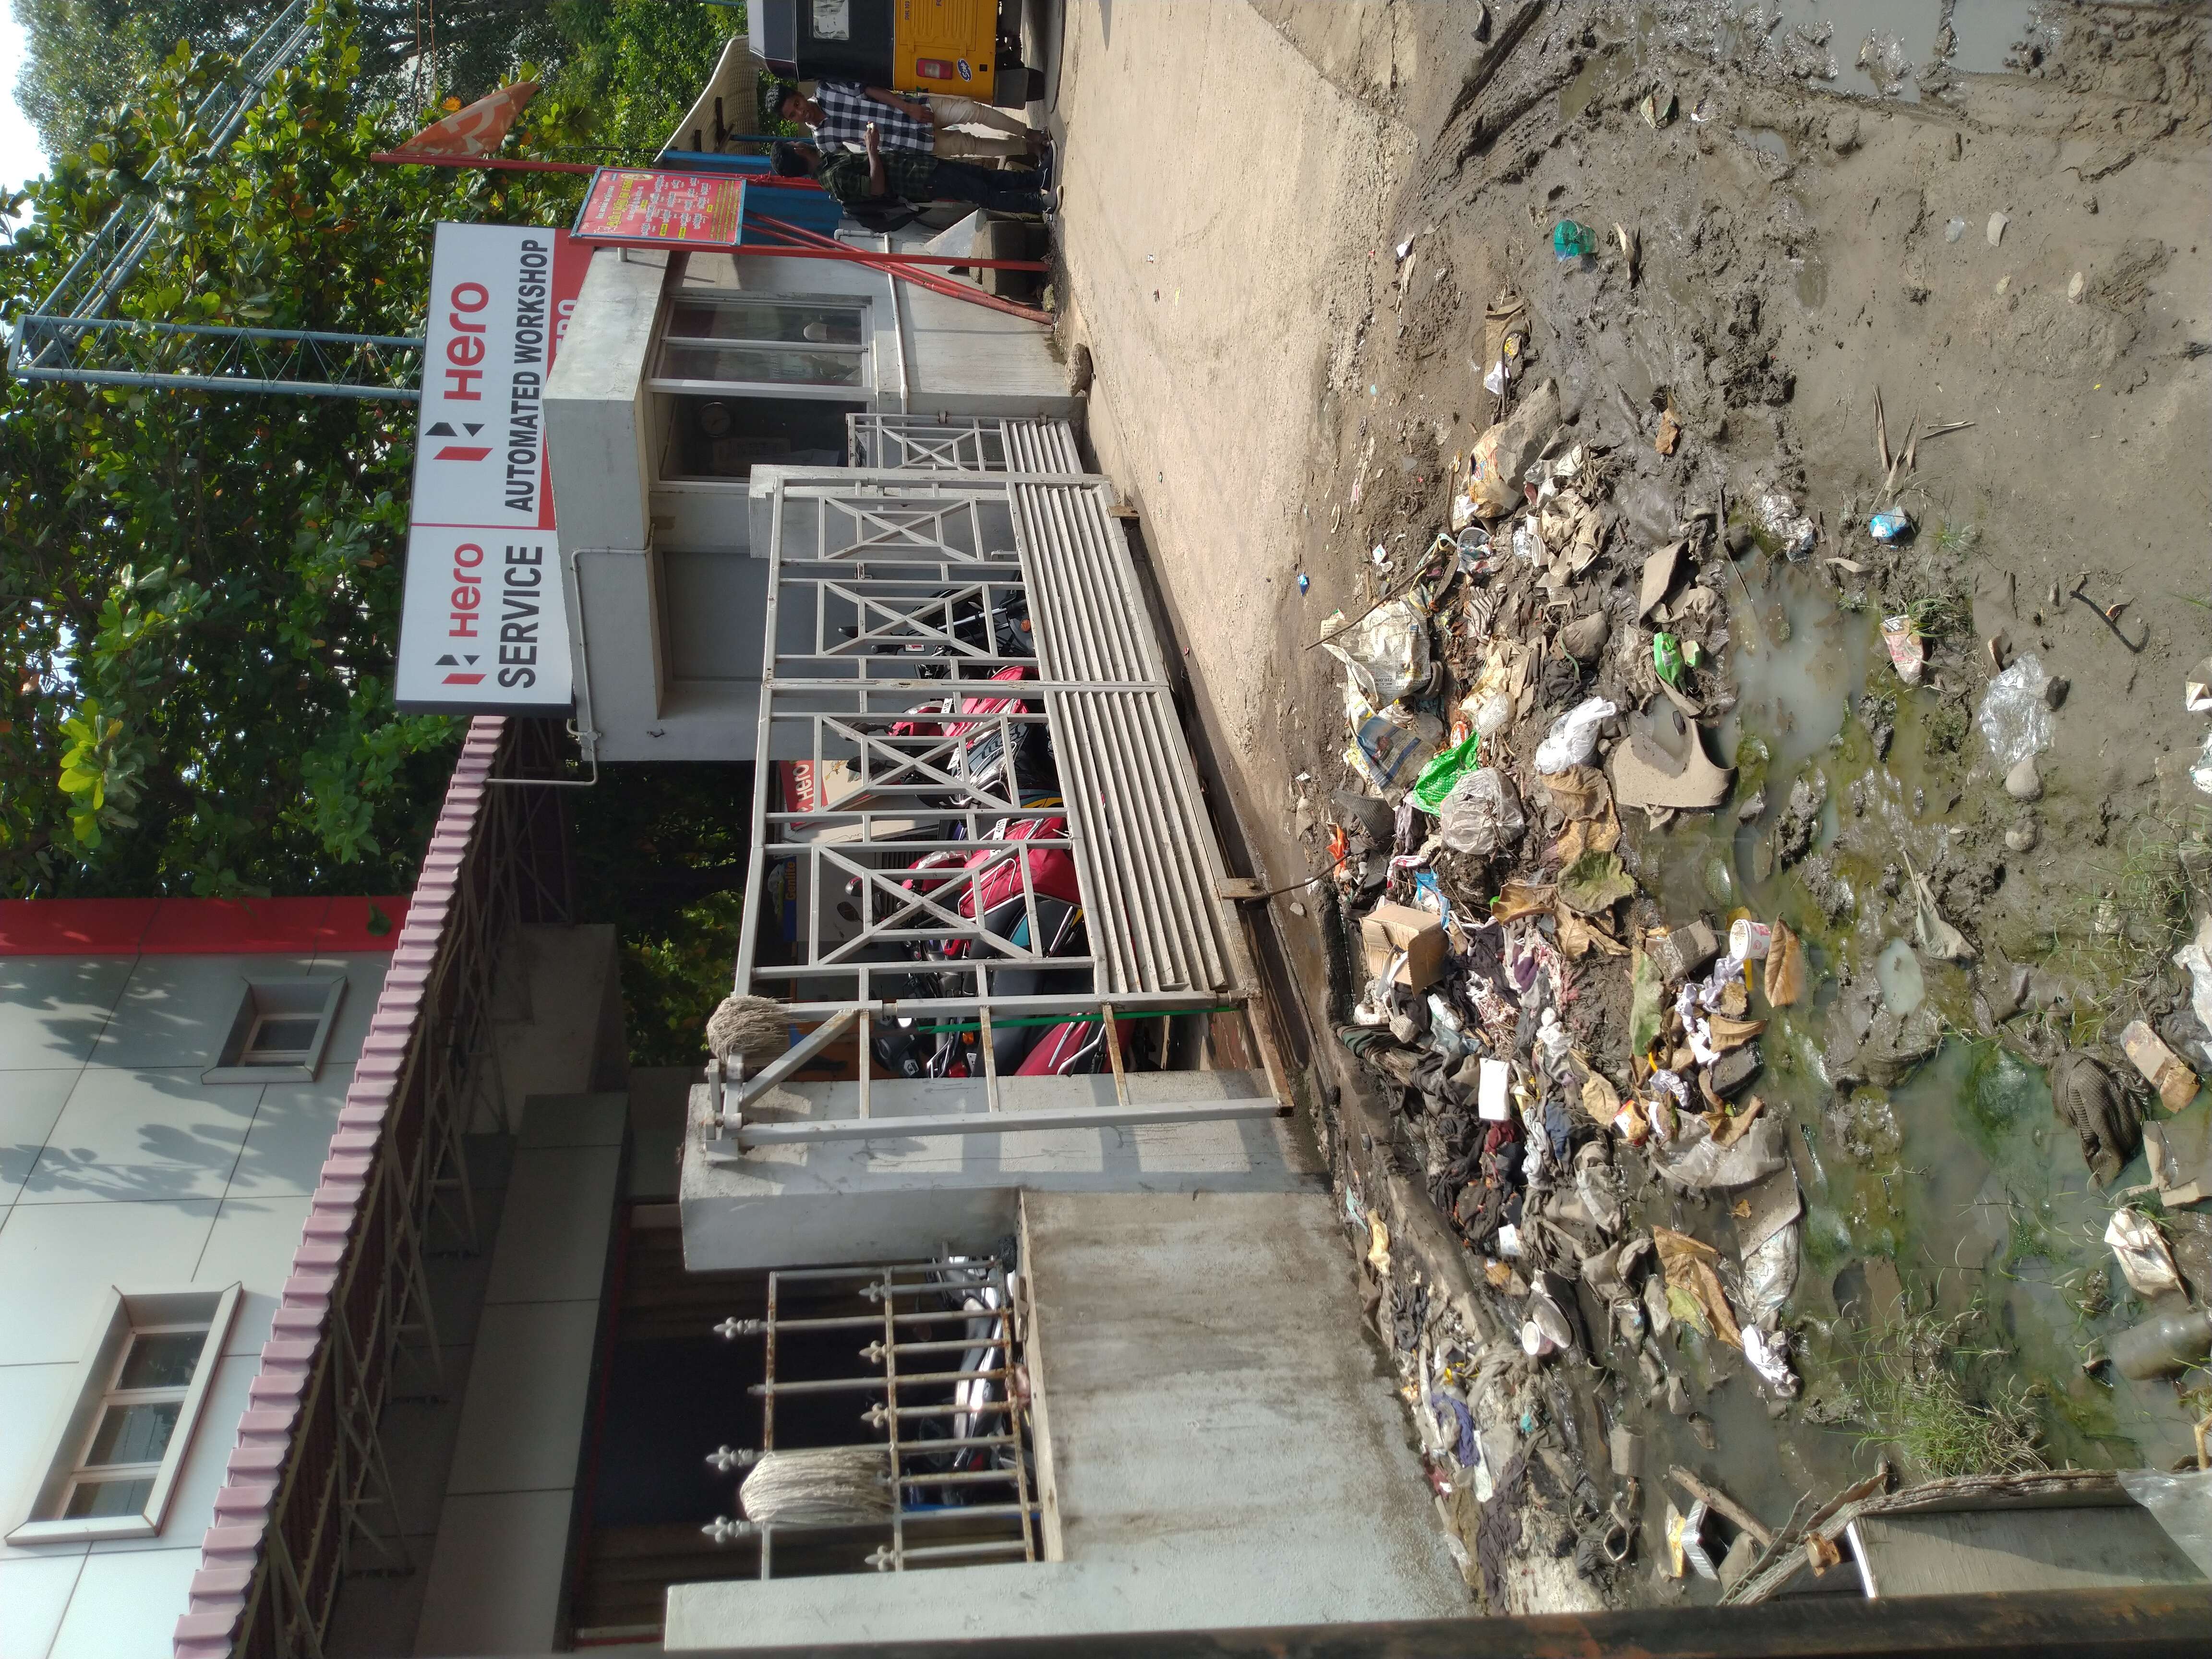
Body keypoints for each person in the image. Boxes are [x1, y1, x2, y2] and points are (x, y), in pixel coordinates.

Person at [771, 125, 1051, 217]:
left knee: (982, 177)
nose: (799, 142)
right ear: (797, 151)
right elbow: (876, 188)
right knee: (983, 193)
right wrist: (871, 150)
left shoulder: (829, 161)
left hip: (920, 166)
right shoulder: (832, 179)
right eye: (794, 143)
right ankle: (1038, 204)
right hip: (920, 181)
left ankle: (1036, 179)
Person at [768, 79, 1044, 167]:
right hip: (910, 143)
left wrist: (907, 107)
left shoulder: (827, 89)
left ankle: (1030, 134)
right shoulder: (823, 142)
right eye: (793, 115)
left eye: (796, 104)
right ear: (792, 121)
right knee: (969, 145)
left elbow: (870, 91)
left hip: (916, 109)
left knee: (973, 112)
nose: (800, 112)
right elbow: (857, 161)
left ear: (799, 95)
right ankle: (1027, 149)